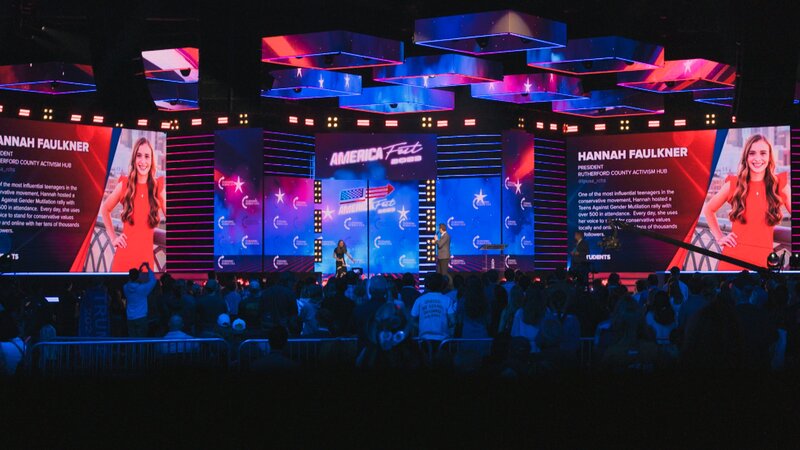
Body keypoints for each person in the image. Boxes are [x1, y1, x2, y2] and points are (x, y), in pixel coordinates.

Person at [702, 134, 790, 270]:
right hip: (732, 261)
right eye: (752, 153)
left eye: (763, 153)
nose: (757, 158)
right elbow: (708, 209)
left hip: (762, 263)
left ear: (769, 157)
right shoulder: (734, 184)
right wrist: (719, 237)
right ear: (746, 157)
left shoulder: (779, 185)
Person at [101, 137, 166, 272]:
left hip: (145, 265)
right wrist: (113, 238)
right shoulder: (125, 185)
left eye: (147, 156)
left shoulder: (158, 188)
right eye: (139, 155)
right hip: (122, 262)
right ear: (134, 159)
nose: (143, 161)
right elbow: (105, 209)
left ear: (152, 160)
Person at [123, 262, 157, 337]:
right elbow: (153, 280)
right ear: (138, 277)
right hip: (141, 317)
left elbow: (130, 281)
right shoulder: (142, 288)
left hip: (130, 318)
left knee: (132, 340)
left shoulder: (125, 287)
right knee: (141, 340)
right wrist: (148, 268)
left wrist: (137, 274)